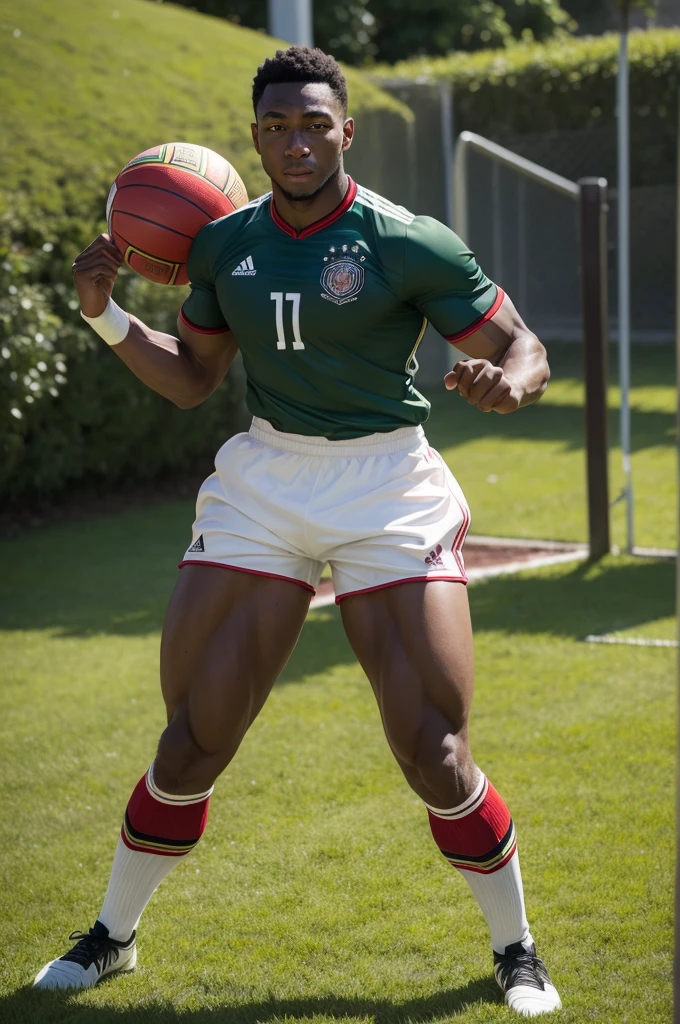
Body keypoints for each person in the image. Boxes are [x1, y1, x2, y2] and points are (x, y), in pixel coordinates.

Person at [33, 46, 560, 1017]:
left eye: (313, 123)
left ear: (344, 131)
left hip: (386, 483)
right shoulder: (223, 244)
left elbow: (520, 345)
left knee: (433, 748)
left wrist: (507, 381)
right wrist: (106, 319)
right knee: (191, 739)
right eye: (276, 126)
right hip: (266, 479)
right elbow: (192, 378)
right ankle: (112, 935)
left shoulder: (408, 241)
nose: (295, 140)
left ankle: (515, 948)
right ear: (253, 138)